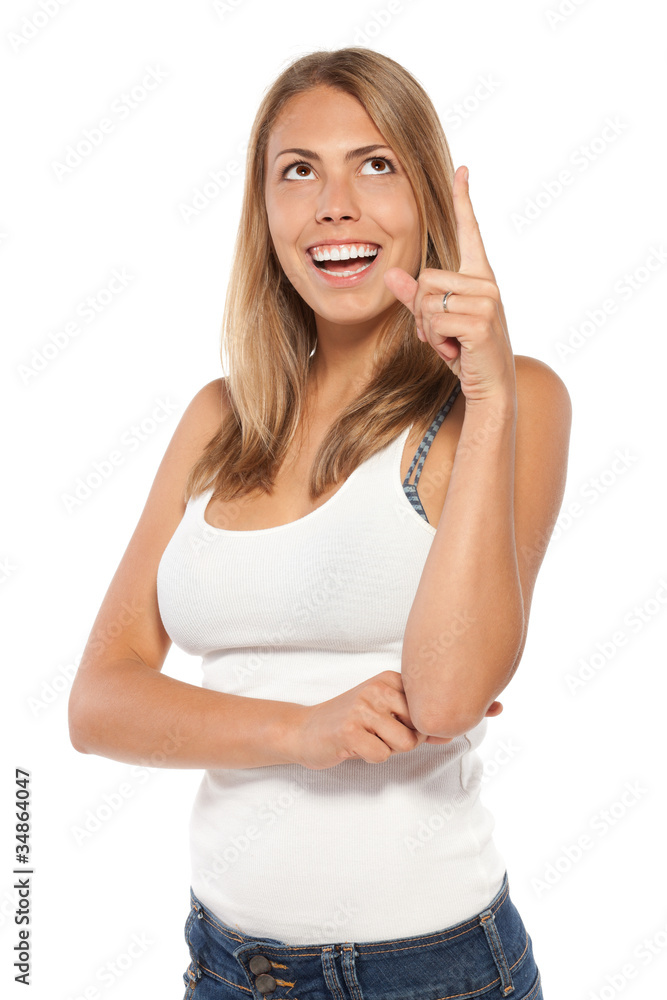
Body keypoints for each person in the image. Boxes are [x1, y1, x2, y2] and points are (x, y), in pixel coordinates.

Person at [68, 47, 571, 1000]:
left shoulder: (512, 400)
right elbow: (97, 705)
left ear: (428, 197)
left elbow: (449, 697)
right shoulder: (220, 418)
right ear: (264, 212)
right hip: (229, 967)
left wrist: (487, 392)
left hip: (432, 974)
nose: (334, 205)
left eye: (375, 164)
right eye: (298, 171)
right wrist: (303, 729)